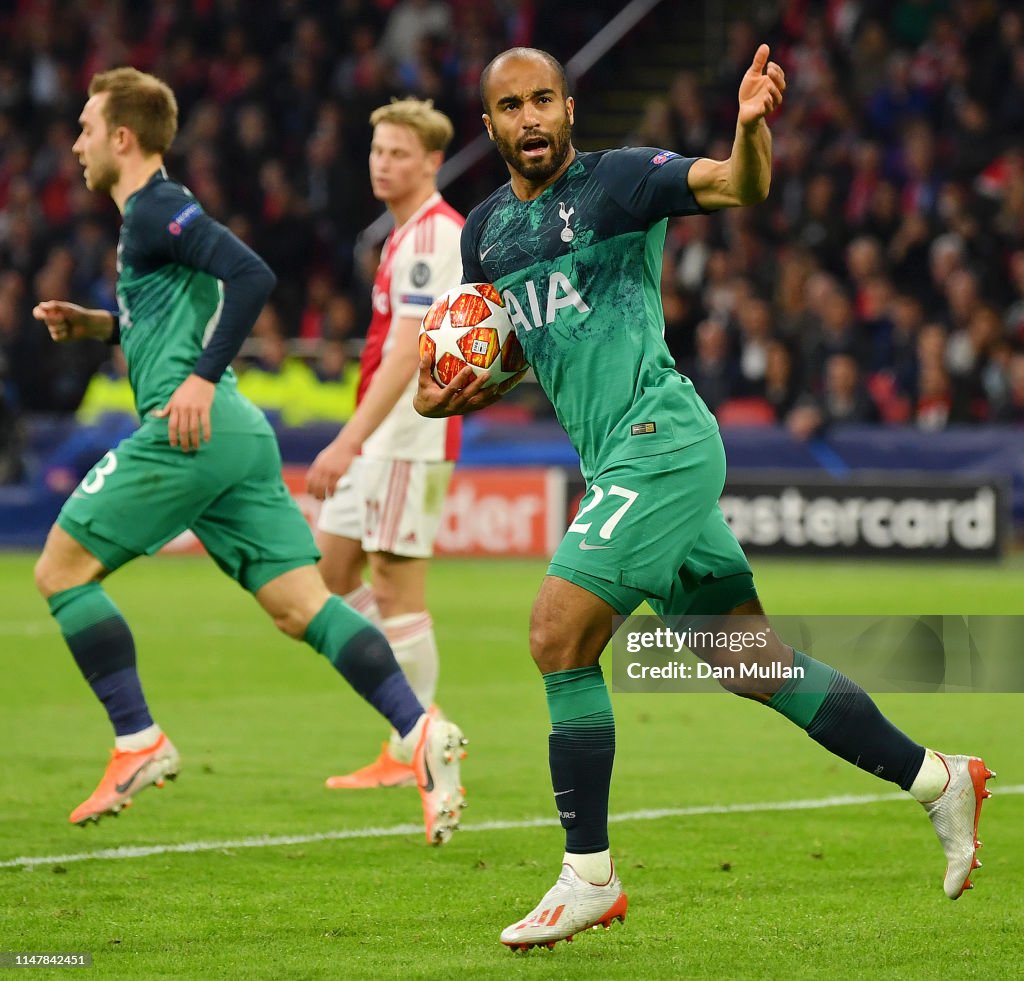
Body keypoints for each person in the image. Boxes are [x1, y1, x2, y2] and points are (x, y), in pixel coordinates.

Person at [414, 46, 995, 948]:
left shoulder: (621, 183)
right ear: (487, 123)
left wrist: (749, 131)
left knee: (556, 633)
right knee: (751, 662)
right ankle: (939, 778)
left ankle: (588, 876)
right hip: (621, 462)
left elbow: (735, 187)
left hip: (663, 444)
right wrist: (459, 384)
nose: (529, 119)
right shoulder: (482, 233)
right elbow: (509, 345)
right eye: (509, 107)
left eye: (542, 101)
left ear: (569, 108)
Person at [32, 68, 466, 845]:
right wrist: (99, 325)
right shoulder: (147, 218)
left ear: (122, 138)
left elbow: (251, 273)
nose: (77, 143)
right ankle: (421, 729)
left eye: (88, 128)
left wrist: (197, 381)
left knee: (59, 571)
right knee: (306, 606)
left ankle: (138, 740)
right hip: (236, 438)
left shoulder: (156, 209)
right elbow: (183, 311)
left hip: (189, 430)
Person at [305, 98, 465, 789]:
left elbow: (406, 353)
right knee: (328, 578)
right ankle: (421, 724)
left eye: (399, 153)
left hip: (409, 437)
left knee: (396, 588)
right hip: (385, 440)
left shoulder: (433, 238)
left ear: (432, 161)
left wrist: (346, 441)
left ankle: (413, 743)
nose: (383, 162)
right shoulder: (403, 234)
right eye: (377, 150)